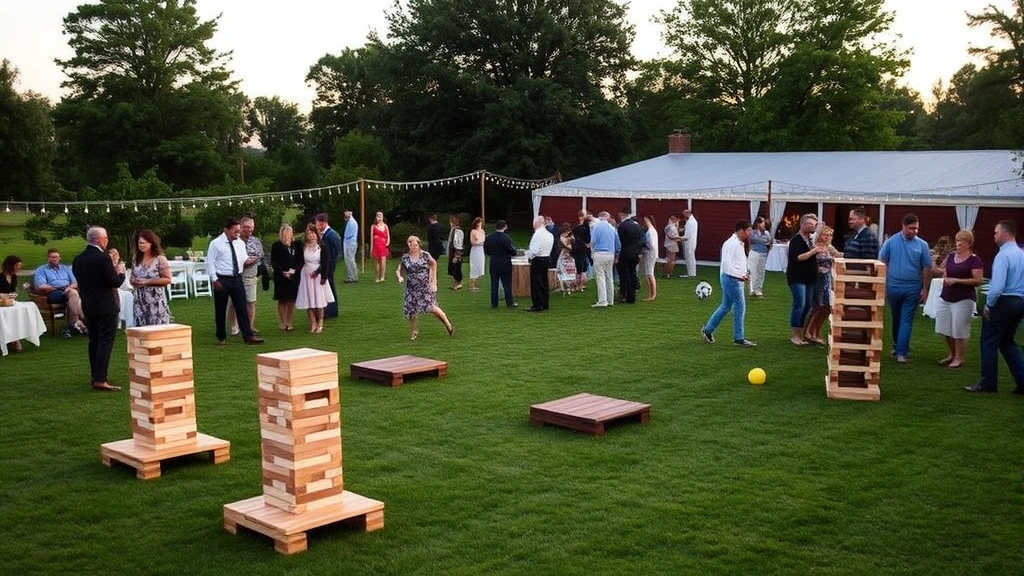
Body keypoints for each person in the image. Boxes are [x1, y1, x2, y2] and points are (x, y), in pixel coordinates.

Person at [965, 220, 1024, 393]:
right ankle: (1022, 381)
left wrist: (988, 305)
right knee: (1007, 342)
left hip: (1003, 301)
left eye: (996, 233)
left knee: (989, 342)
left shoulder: (1003, 256)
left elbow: (997, 287)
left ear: (1006, 233)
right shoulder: (1021, 254)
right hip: (1019, 301)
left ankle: (988, 382)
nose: (994, 236)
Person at [72, 227, 126, 391]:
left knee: (94, 340)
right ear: (100, 239)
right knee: (105, 341)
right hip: (105, 305)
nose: (107, 240)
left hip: (88, 304)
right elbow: (115, 282)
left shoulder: (78, 259)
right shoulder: (102, 259)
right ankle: (101, 379)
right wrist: (120, 272)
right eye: (106, 237)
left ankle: (95, 375)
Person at [878, 213, 932, 363]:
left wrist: (925, 288)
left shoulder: (922, 245)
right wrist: (884, 282)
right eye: (911, 228)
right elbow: (882, 261)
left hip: (912, 287)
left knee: (906, 319)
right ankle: (899, 346)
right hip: (893, 286)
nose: (914, 231)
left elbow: (926, 267)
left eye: (916, 228)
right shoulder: (891, 242)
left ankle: (901, 352)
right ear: (903, 226)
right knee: (896, 318)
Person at [207, 217, 264, 346]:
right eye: (235, 231)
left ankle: (248, 335)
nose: (238, 234)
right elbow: (210, 262)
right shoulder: (216, 244)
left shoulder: (240, 243)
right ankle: (221, 337)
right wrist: (215, 279)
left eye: (239, 231)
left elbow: (242, 258)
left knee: (242, 307)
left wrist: (249, 260)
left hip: (237, 278)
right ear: (226, 230)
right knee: (220, 309)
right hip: (222, 279)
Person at [700, 220, 755, 347]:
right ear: (741, 230)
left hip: (733, 279)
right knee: (740, 306)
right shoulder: (731, 244)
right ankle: (739, 338)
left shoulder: (738, 243)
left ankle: (708, 330)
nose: (750, 233)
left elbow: (737, 262)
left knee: (726, 306)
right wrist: (741, 276)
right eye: (748, 231)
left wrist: (744, 273)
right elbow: (726, 266)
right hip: (732, 279)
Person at [934, 230, 983, 369]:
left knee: (959, 329)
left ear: (969, 243)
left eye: (961, 241)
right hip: (946, 296)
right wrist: (943, 273)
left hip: (963, 299)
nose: (958, 243)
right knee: (945, 328)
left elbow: (978, 280)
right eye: (957, 240)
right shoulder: (950, 257)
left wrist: (956, 280)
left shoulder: (974, 260)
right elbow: (939, 269)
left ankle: (959, 358)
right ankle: (952, 354)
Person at [396, 235, 454, 340]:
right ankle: (414, 331)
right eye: (410, 243)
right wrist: (399, 276)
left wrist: (433, 281)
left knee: (432, 307)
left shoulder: (425, 255)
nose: (412, 246)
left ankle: (447, 324)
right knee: (411, 309)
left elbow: (434, 264)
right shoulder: (405, 258)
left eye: (414, 244)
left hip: (424, 287)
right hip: (411, 288)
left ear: (418, 244)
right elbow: (400, 269)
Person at [33, 248, 87, 338]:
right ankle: (83, 322)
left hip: (68, 290)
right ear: (48, 258)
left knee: (74, 295)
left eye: (57, 257)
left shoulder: (66, 269)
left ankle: (73, 326)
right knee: (75, 295)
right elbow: (41, 286)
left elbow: (76, 282)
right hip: (53, 292)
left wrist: (69, 288)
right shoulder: (41, 270)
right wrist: (56, 287)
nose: (55, 259)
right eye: (53, 257)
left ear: (59, 258)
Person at [803, 226, 842, 344]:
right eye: (825, 234)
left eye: (829, 235)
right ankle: (808, 332)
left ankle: (816, 331)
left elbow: (838, 255)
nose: (827, 237)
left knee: (827, 307)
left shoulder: (829, 247)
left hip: (828, 279)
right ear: (819, 235)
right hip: (818, 279)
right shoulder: (814, 247)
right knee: (818, 306)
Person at [786, 213, 819, 346]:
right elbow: (798, 257)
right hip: (797, 276)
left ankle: (801, 333)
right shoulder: (796, 240)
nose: (812, 226)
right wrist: (812, 252)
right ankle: (795, 335)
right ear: (802, 224)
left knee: (808, 305)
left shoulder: (810, 240)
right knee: (799, 304)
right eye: (810, 224)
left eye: (814, 225)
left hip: (810, 277)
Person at [295, 224, 335, 333]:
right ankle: (313, 323)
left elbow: (325, 263)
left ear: (316, 234)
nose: (311, 235)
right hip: (306, 276)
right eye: (309, 234)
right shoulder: (304, 247)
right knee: (309, 300)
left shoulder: (322, 247)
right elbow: (300, 261)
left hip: (318, 277)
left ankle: (320, 323)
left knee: (319, 301)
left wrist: (320, 274)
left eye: (313, 233)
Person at [228, 216, 264, 335]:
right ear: (241, 227)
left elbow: (260, 256)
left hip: (250, 275)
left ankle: (249, 326)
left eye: (251, 227)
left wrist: (254, 261)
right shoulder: (233, 240)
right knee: (234, 302)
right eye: (246, 227)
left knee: (251, 302)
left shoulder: (255, 241)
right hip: (235, 275)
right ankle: (234, 327)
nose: (249, 230)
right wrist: (243, 261)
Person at [129, 228, 171, 326]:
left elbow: (167, 279)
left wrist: (147, 282)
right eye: (139, 243)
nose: (141, 246)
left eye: (144, 243)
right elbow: (132, 276)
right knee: (141, 328)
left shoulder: (160, 259)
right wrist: (133, 281)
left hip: (155, 301)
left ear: (151, 243)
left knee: (156, 328)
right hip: (139, 301)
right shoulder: (136, 258)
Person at [270, 224, 302, 331]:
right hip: (281, 277)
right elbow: (274, 262)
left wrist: (295, 270)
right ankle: (283, 322)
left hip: (293, 276)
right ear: (282, 233)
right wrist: (282, 272)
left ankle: (289, 321)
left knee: (291, 300)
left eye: (290, 232)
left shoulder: (297, 245)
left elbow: (300, 260)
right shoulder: (276, 246)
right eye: (286, 232)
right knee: (282, 300)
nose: (288, 234)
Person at [483, 219, 517, 308]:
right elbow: (511, 250)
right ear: (505, 227)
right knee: (507, 284)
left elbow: (487, 251)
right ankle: (509, 302)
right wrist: (514, 251)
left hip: (494, 262)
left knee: (494, 284)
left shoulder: (489, 237)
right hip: (505, 263)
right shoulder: (506, 237)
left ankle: (494, 303)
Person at [589, 212, 620, 308]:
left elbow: (593, 241)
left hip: (599, 253)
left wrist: (592, 252)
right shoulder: (612, 228)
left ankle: (602, 300)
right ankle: (610, 300)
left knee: (600, 277)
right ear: (607, 218)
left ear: (599, 217)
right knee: (609, 277)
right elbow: (618, 244)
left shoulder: (596, 227)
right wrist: (616, 254)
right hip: (610, 254)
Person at [524, 215, 554, 312]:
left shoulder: (537, 234)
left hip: (538, 259)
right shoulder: (549, 234)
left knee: (536, 282)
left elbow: (534, 250)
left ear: (537, 223)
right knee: (544, 282)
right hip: (547, 257)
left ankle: (537, 304)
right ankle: (545, 303)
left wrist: (527, 255)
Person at [315, 212, 342, 317]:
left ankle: (332, 310)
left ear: (323, 223)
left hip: (329, 265)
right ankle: (329, 309)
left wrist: (329, 264)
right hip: (327, 264)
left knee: (330, 286)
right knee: (328, 287)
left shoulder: (331, 235)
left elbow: (334, 252)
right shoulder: (327, 234)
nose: (316, 225)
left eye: (317, 223)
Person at [617, 208, 643, 304]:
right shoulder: (637, 226)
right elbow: (641, 240)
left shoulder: (622, 226)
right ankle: (632, 296)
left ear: (622, 214)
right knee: (633, 273)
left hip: (624, 253)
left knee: (624, 275)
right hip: (635, 253)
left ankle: (624, 294)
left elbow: (619, 242)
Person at [1, 255, 24, 352]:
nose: (19, 268)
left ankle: (15, 337)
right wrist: (5, 295)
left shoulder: (14, 277)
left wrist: (13, 295)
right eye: (18, 266)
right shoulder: (0, 276)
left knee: (19, 311)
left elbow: (12, 290)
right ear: (11, 266)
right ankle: (12, 339)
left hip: (9, 302)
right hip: (1, 302)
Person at [747, 216, 772, 297]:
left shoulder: (767, 233)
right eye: (761, 222)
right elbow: (749, 242)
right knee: (753, 271)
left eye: (764, 222)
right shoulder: (752, 233)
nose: (763, 224)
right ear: (758, 224)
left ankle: (758, 289)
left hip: (763, 254)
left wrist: (768, 249)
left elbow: (770, 242)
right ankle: (752, 289)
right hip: (754, 253)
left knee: (761, 272)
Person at [571, 210, 591, 288]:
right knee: (581, 264)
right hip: (580, 247)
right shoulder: (584, 227)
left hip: (578, 247)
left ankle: (579, 282)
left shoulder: (580, 227)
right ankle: (580, 282)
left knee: (580, 264)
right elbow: (587, 238)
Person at [641, 215, 658, 301]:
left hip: (650, 254)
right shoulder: (651, 230)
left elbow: (651, 244)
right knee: (648, 274)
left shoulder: (651, 231)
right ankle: (651, 294)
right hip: (650, 253)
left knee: (650, 274)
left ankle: (652, 295)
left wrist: (643, 245)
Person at [557, 222, 578, 292]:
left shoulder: (563, 236)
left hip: (565, 252)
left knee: (563, 269)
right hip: (570, 254)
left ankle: (565, 287)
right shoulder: (570, 235)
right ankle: (572, 286)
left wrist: (568, 244)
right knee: (570, 269)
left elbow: (565, 244)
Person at [370, 211, 391, 283]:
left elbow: (388, 236)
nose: (379, 218)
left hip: (383, 246)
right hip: (376, 246)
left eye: (380, 216)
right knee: (376, 262)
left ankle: (382, 276)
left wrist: (387, 243)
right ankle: (377, 277)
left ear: (382, 217)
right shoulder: (373, 226)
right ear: (376, 217)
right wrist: (371, 249)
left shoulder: (385, 226)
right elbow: (371, 238)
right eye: (378, 216)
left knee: (383, 262)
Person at [447, 215, 465, 290]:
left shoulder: (458, 231)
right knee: (452, 267)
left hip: (456, 251)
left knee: (457, 267)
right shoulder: (453, 230)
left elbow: (459, 244)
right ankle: (455, 282)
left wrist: (456, 256)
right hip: (452, 251)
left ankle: (459, 282)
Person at [468, 217, 486, 292]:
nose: (479, 224)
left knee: (480, 266)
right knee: (474, 266)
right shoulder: (473, 231)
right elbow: (473, 242)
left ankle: (477, 284)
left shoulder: (482, 231)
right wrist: (480, 242)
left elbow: (484, 240)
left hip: (481, 250)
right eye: (478, 223)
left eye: (480, 223)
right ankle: (472, 285)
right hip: (475, 250)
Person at [663, 214, 683, 279]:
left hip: (668, 244)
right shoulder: (672, 227)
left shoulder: (668, 227)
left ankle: (666, 273)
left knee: (668, 259)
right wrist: (681, 238)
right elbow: (672, 236)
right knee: (672, 260)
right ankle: (668, 274)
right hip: (672, 245)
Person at [342, 210, 359, 283]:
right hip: (348, 242)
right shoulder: (349, 222)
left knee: (350, 259)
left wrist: (345, 240)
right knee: (348, 260)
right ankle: (351, 276)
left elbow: (348, 235)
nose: (345, 216)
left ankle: (353, 277)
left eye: (346, 214)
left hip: (350, 242)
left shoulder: (352, 222)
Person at [681, 209, 699, 277]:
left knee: (690, 257)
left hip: (690, 242)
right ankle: (690, 273)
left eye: (684, 215)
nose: (684, 216)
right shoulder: (690, 221)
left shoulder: (691, 222)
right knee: (689, 257)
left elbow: (687, 235)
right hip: (689, 242)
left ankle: (692, 273)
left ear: (688, 213)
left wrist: (679, 238)